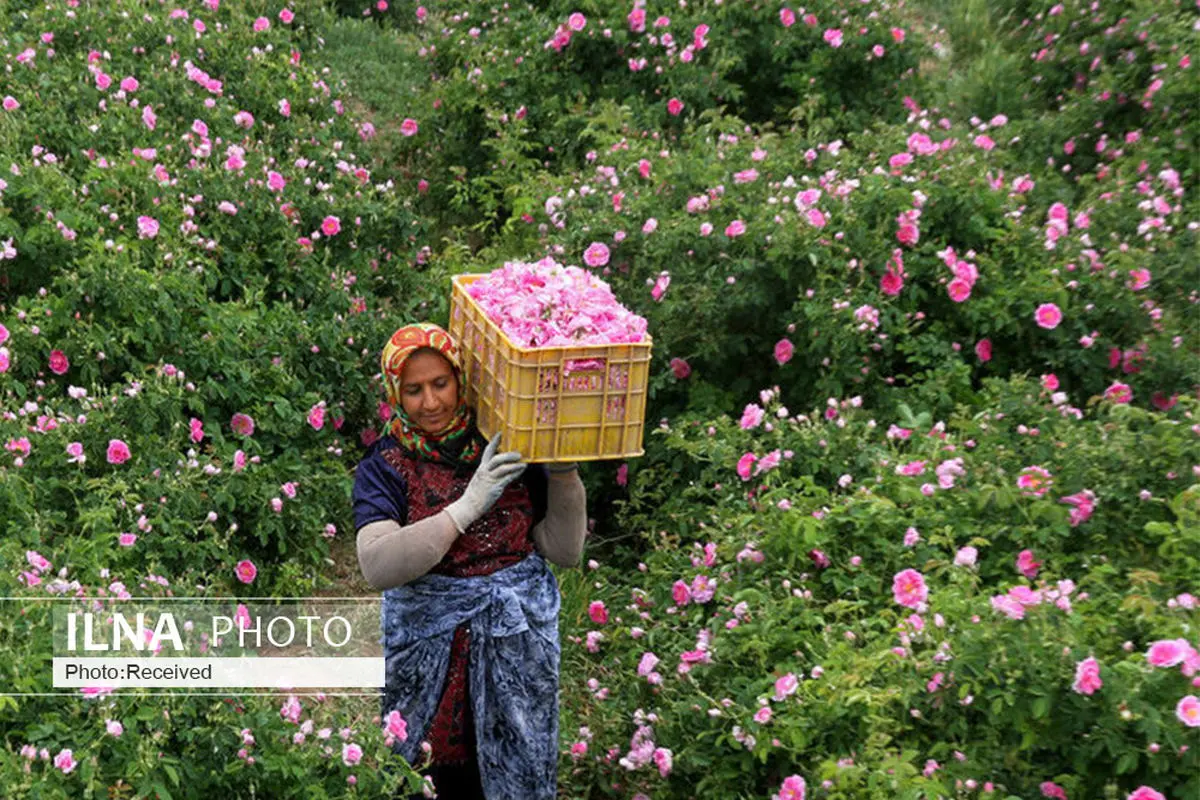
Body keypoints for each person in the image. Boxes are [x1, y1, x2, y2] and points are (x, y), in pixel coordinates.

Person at [353, 323, 587, 800]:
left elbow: (564, 550)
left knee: (512, 771)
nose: (431, 402)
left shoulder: (505, 445)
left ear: (462, 379)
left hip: (515, 650)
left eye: (440, 383)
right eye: (413, 390)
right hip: (430, 659)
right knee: (431, 775)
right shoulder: (385, 466)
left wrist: (563, 470)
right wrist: (467, 505)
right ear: (395, 392)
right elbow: (377, 565)